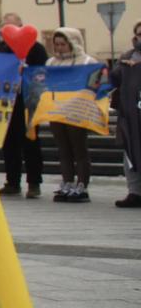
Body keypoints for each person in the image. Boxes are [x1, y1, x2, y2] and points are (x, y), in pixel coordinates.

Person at [45, 27, 104, 203]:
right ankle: (68, 181)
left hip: (77, 112)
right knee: (63, 149)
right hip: (57, 111)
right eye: (56, 44)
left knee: (79, 149)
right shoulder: (51, 63)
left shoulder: (87, 62)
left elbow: (96, 83)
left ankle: (82, 184)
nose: (59, 48)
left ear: (73, 43)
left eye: (63, 44)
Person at [0, 13, 47, 198]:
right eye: (5, 28)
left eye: (12, 27)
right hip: (7, 102)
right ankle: (12, 181)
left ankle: (34, 183)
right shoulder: (0, 49)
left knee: (30, 141)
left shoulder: (36, 49)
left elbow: (42, 72)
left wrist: (28, 70)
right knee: (9, 144)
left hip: (28, 101)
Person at [114, 21, 141, 209]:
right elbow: (114, 79)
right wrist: (120, 68)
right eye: (138, 34)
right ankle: (135, 192)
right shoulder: (128, 56)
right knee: (130, 152)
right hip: (131, 114)